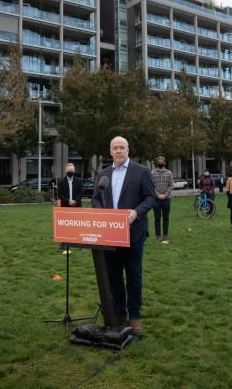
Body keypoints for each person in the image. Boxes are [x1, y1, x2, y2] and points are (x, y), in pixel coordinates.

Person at [91, 136, 156, 335]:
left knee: (134, 276)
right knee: (113, 276)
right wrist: (102, 214)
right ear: (110, 151)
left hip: (134, 233)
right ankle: (119, 313)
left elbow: (151, 198)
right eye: (115, 148)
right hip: (110, 235)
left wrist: (136, 212)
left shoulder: (142, 171)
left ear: (128, 150)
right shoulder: (103, 174)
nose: (118, 151)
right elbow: (96, 199)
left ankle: (134, 317)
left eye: (122, 147)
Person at [56, 162, 83, 253]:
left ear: (74, 170)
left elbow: (81, 192)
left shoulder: (79, 181)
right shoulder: (61, 182)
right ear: (66, 170)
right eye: (69, 170)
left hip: (77, 206)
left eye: (72, 170)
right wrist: (68, 201)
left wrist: (75, 201)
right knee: (65, 226)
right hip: (65, 207)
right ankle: (63, 244)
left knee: (78, 225)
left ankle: (80, 244)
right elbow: (60, 194)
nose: (70, 171)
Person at [151, 156, 174, 244]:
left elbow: (171, 185)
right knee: (157, 218)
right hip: (156, 199)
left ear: (164, 163)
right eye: (159, 161)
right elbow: (150, 185)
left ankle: (165, 235)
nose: (160, 162)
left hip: (166, 199)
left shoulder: (169, 173)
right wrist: (157, 195)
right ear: (157, 162)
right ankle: (157, 235)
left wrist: (165, 194)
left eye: (162, 161)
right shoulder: (152, 173)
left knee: (166, 218)